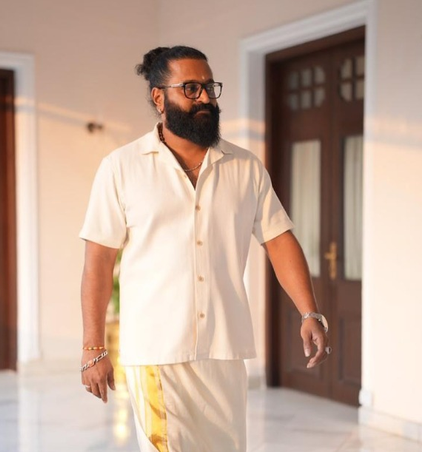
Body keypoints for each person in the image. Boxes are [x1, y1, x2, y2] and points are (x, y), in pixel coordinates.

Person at [79, 45, 330, 452]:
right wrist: (93, 347)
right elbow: (98, 261)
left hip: (224, 349)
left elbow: (279, 239)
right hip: (156, 350)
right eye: (191, 88)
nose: (205, 98)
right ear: (159, 97)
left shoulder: (245, 167)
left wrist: (309, 311)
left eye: (209, 88)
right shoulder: (122, 167)